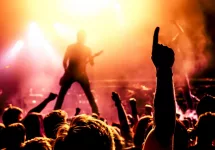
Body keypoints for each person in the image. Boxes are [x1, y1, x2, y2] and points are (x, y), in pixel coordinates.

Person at [54, 30, 99, 115]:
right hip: (79, 73)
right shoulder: (85, 49)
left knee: (62, 94)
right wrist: (67, 72)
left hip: (75, 72)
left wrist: (67, 71)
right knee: (89, 94)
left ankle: (56, 111)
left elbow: (64, 61)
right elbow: (92, 64)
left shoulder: (72, 47)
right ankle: (96, 112)